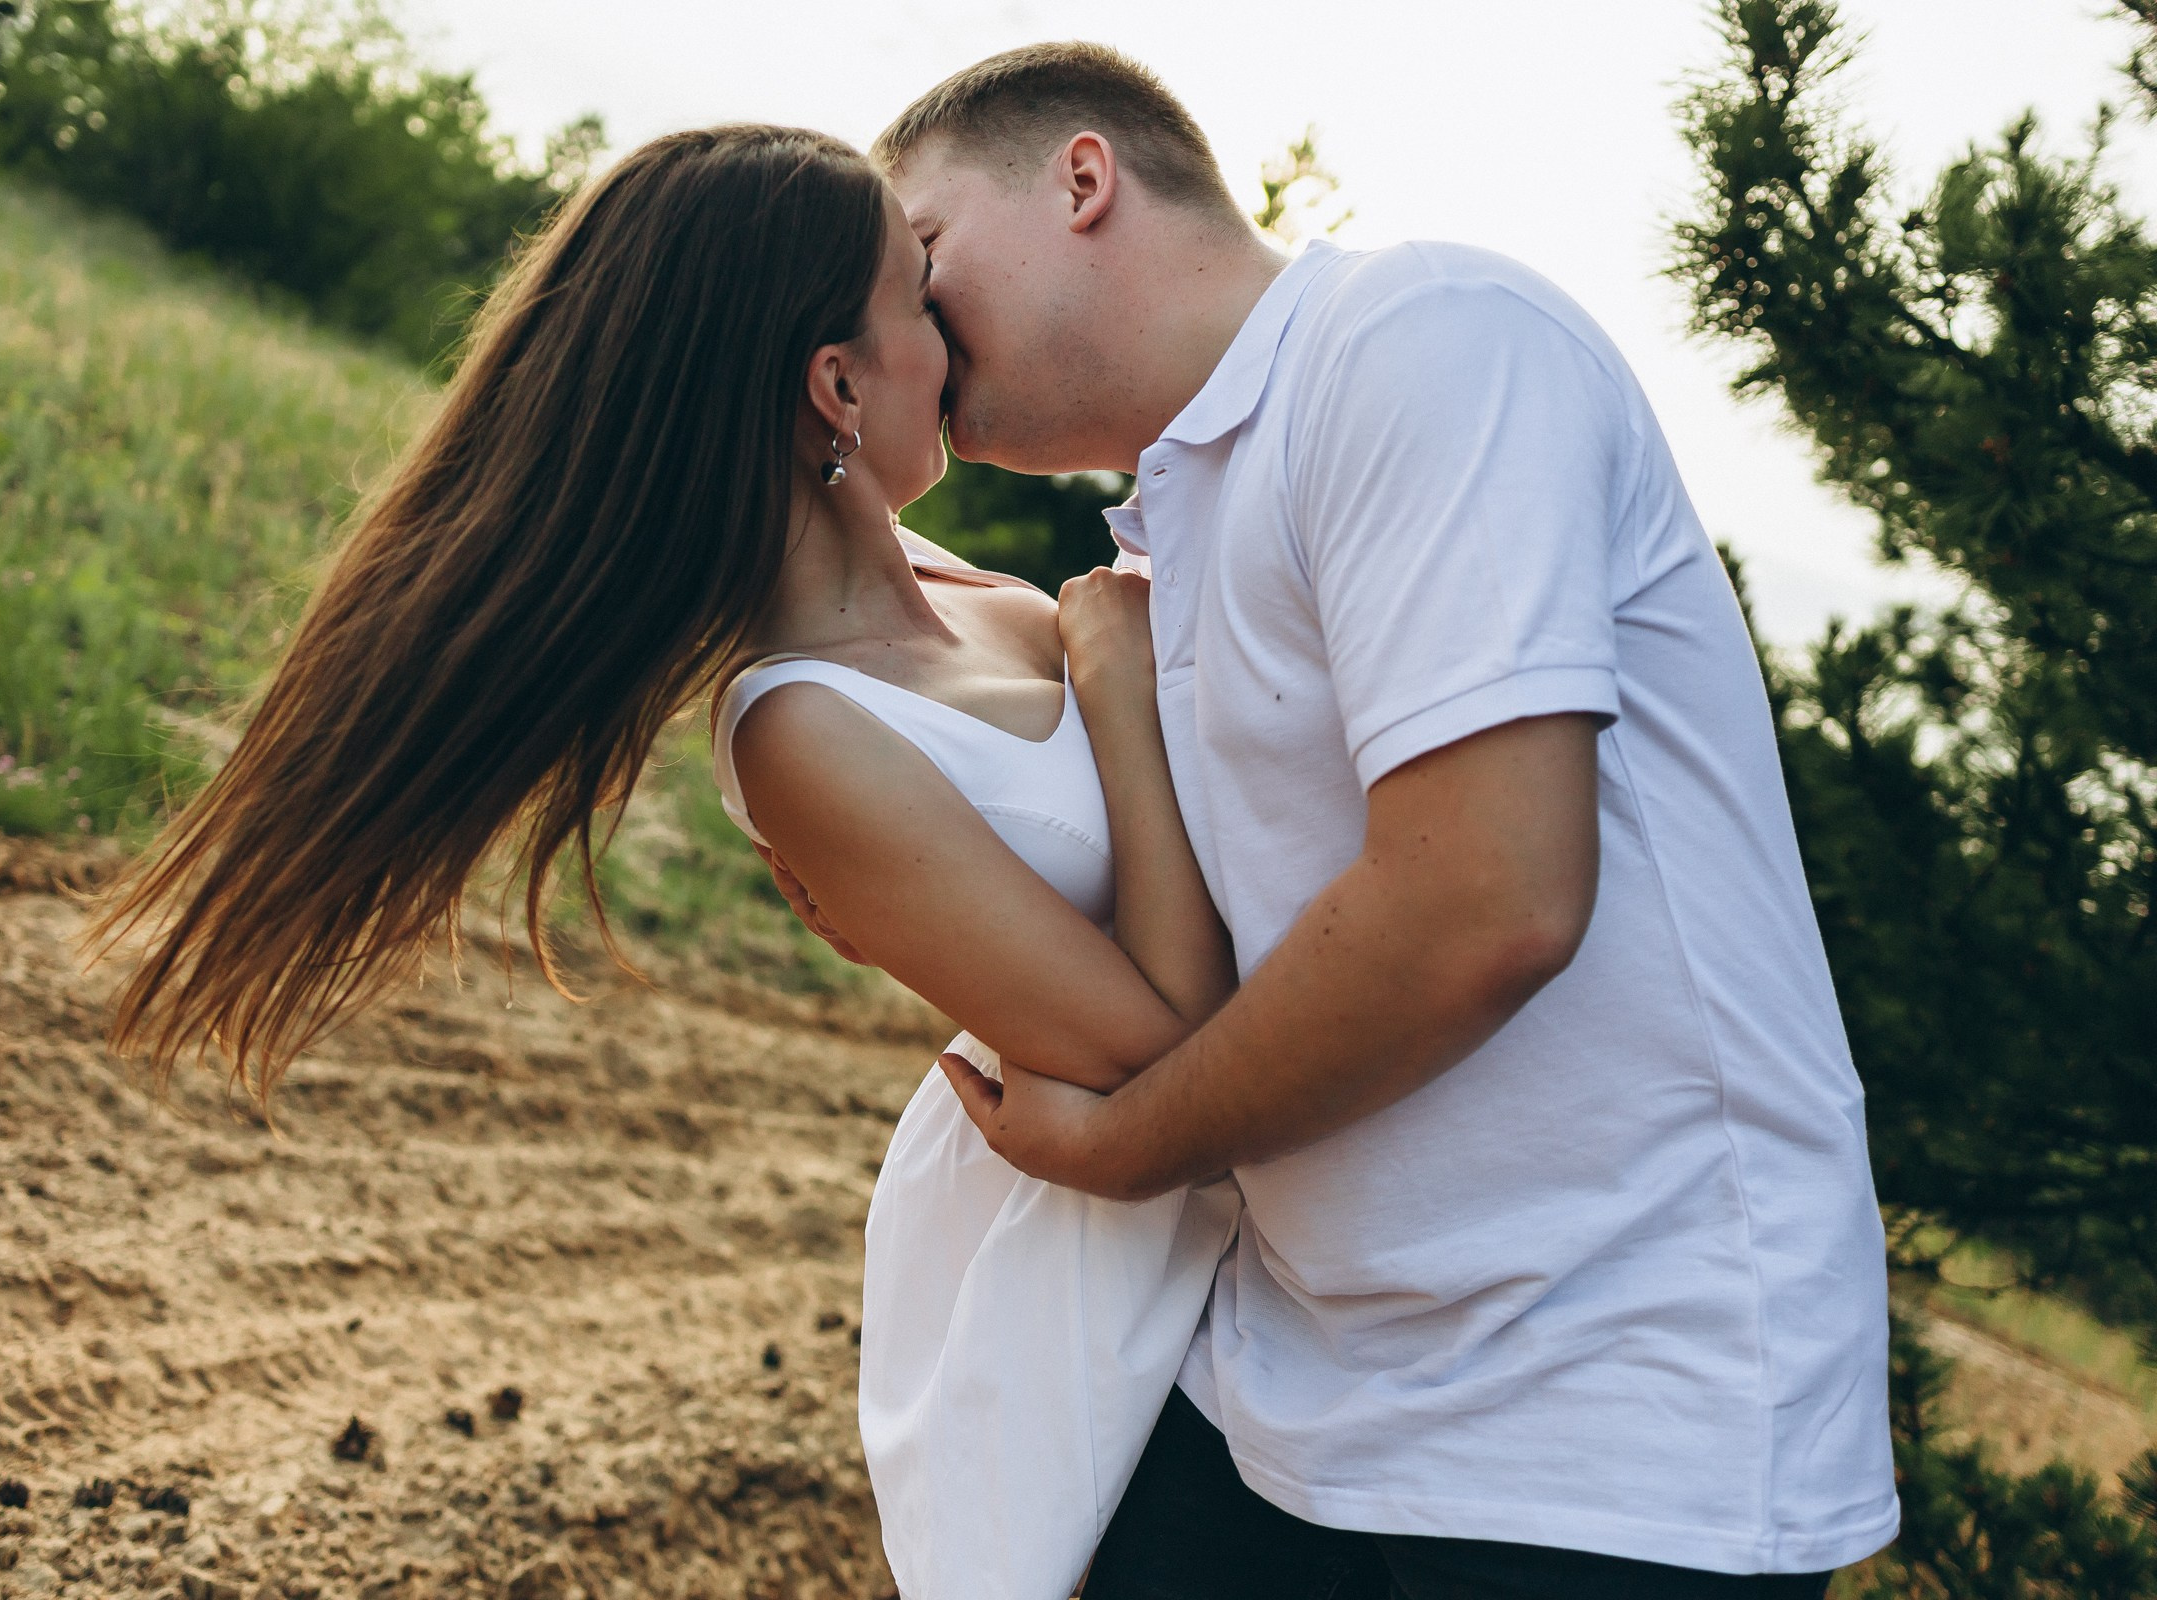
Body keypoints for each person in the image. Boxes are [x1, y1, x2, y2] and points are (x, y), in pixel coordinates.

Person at [768, 41, 1900, 1599]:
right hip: (1292, 1385)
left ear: (1081, 180)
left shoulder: (1422, 342)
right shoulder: (1174, 528)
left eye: (928, 252)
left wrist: (1118, 1146)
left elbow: (1483, 902)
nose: (912, 318)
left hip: (1604, 1435)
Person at [83, 122, 1245, 1599]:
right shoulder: (801, 729)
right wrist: (1123, 703)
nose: (950, 327)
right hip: (1095, 1302)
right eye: (920, 293)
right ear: (835, 384)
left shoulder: (971, 590)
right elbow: (1172, 1052)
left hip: (1231, 1254)